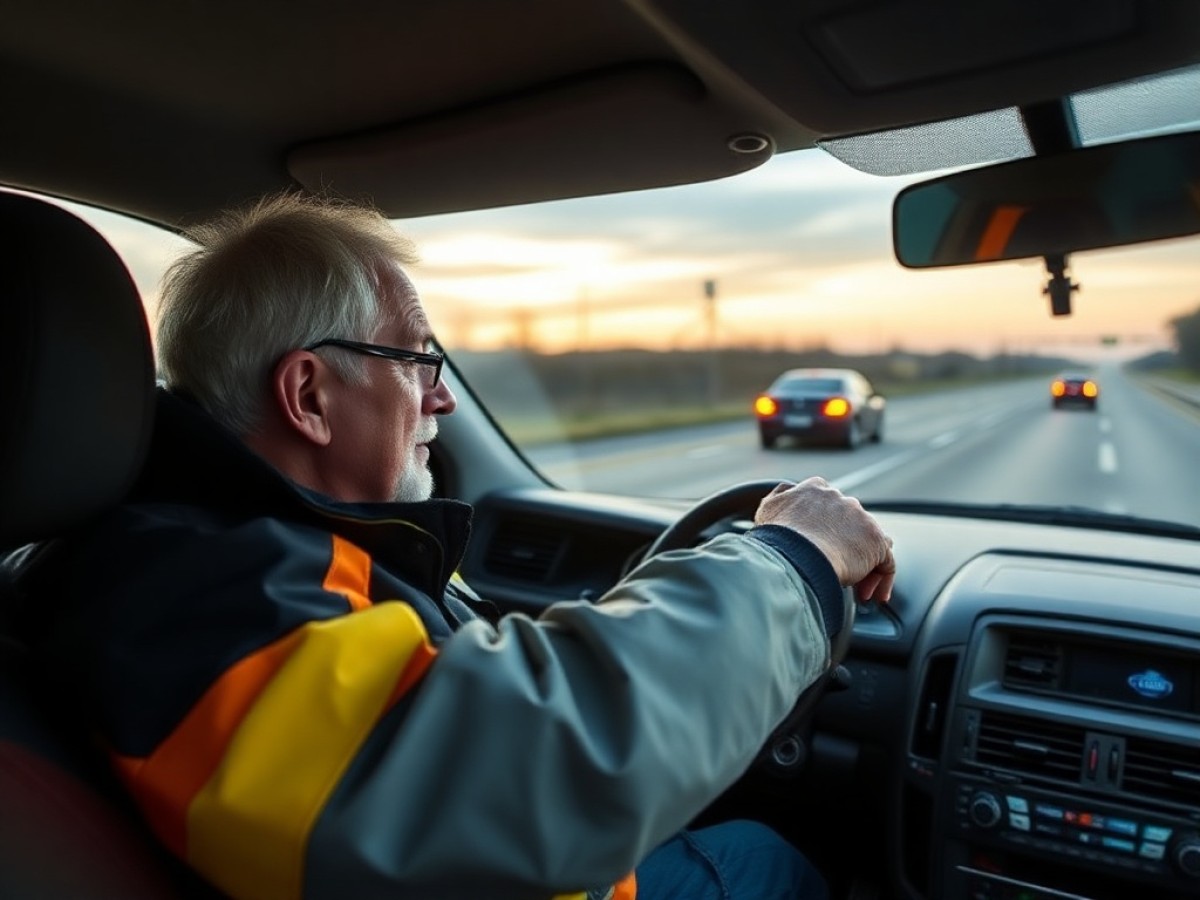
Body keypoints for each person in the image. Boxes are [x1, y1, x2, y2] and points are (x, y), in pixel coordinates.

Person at [10, 193, 895, 900]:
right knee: (768, 865)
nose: (446, 401)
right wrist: (792, 562)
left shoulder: (243, 552)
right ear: (310, 395)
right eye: (418, 358)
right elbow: (516, 767)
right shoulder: (196, 591)